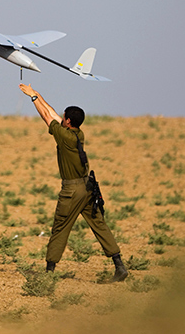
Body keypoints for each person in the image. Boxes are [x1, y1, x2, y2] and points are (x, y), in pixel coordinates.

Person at [19, 83, 128, 282]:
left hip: (72, 190)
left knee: (60, 227)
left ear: (68, 121)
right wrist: (37, 94)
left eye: (64, 117)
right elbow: (52, 114)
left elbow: (46, 117)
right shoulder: (77, 134)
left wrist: (33, 100)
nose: (61, 118)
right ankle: (119, 265)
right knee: (99, 225)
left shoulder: (64, 136)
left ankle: (48, 274)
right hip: (87, 188)